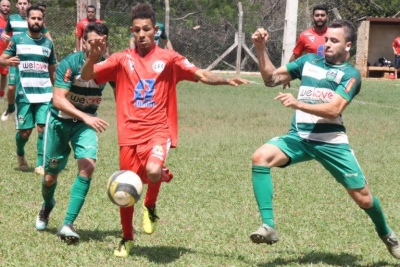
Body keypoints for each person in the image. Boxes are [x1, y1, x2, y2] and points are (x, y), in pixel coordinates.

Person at [80, 3, 249, 258]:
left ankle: (150, 205)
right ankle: (126, 238)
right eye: (137, 30)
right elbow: (88, 76)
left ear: (155, 29)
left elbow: (200, 74)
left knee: (153, 170)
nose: (142, 34)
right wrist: (93, 56)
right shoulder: (121, 59)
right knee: (126, 191)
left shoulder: (169, 59)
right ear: (131, 31)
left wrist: (225, 79)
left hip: (158, 131)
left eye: (146, 29)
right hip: (128, 136)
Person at [249, 19, 400, 260]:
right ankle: (268, 226)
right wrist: (260, 48)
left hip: (331, 142)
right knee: (260, 157)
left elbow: (334, 109)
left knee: (363, 198)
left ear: (348, 45)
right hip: (299, 137)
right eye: (326, 39)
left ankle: (388, 235)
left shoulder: (351, 74)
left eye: (334, 40)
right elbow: (271, 80)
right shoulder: (308, 61)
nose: (326, 44)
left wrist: (299, 103)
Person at [34, 22, 110, 243]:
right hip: (59, 122)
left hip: (84, 126)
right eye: (93, 41)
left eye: (102, 42)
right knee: (49, 177)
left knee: (87, 167)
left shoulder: (108, 65)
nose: (98, 46)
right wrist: (86, 115)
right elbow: (58, 100)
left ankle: (67, 224)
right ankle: (47, 205)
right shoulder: (69, 63)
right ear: (84, 42)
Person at [0, 5, 56, 175]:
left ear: (43, 21)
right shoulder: (17, 41)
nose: (36, 21)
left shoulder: (48, 43)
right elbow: (2, 58)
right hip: (23, 92)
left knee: (42, 128)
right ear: (27, 20)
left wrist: (57, 91)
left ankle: (40, 163)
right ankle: (20, 152)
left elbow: (52, 69)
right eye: (33, 18)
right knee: (25, 132)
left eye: (39, 19)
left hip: (44, 92)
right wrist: (7, 62)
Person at [1, 0, 55, 122]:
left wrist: (52, 49)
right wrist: (3, 37)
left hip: (33, 55)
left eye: (25, 3)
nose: (22, 5)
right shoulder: (12, 18)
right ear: (17, 5)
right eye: (20, 3)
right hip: (16, 58)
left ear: (29, 5)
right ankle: (10, 108)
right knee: (11, 88)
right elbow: (4, 33)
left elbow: (48, 37)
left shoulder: (37, 20)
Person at [284, 4, 328, 89]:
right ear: (313, 17)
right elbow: (295, 55)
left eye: (322, 15)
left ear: (327, 17)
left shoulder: (333, 34)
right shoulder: (304, 35)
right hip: (311, 76)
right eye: (317, 15)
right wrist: (287, 75)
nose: (320, 17)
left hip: (329, 75)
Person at [0, 0, 10, 100]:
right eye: (4, 6)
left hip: (6, 52)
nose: (5, 8)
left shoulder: (11, 22)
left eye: (7, 6)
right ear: (0, 7)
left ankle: (1, 95)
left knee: (4, 74)